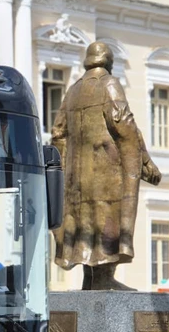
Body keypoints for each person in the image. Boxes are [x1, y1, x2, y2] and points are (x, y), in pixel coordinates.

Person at [52, 41, 161, 289]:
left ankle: (91, 280)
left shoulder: (73, 91)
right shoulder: (109, 84)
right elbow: (124, 125)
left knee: (85, 222)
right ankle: (103, 279)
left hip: (76, 178)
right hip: (106, 171)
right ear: (109, 62)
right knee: (107, 220)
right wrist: (145, 162)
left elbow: (58, 133)